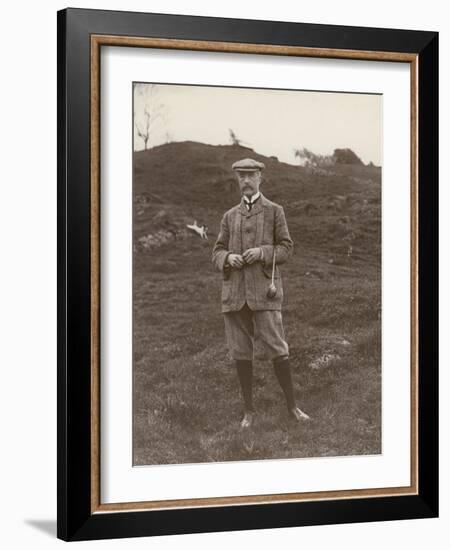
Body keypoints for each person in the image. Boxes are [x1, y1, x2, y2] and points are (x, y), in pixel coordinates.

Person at [212, 158, 310, 428]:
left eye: (250, 175)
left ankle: (293, 407)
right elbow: (216, 251)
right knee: (241, 352)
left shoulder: (275, 211)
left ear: (260, 178)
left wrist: (263, 253)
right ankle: (248, 412)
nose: (245, 180)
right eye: (240, 176)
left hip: (265, 292)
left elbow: (287, 248)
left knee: (278, 349)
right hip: (235, 295)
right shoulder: (229, 216)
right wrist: (228, 257)